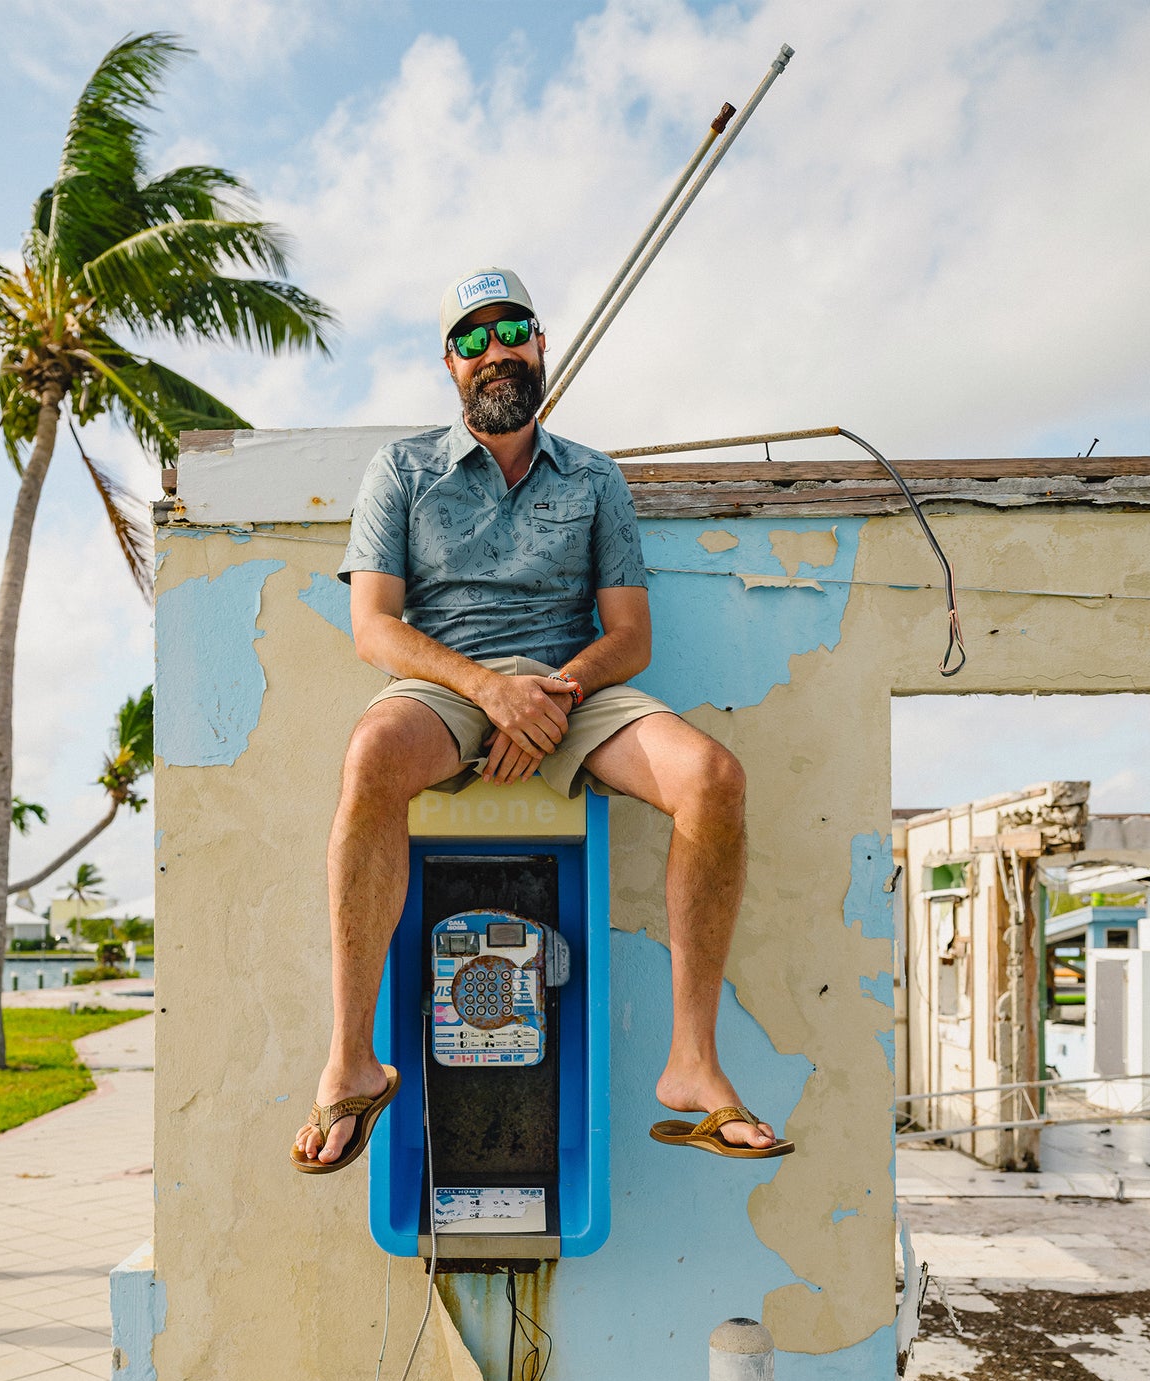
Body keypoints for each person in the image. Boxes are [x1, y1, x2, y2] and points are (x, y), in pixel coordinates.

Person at [291, 266, 794, 1174]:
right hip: (446, 686)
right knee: (369, 755)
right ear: (449, 363)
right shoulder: (401, 470)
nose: (495, 351)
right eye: (472, 338)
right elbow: (373, 627)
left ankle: (691, 1061)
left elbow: (630, 636)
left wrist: (548, 701)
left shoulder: (596, 478)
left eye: (510, 329)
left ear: (539, 341)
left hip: (572, 686)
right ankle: (353, 1061)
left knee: (712, 778)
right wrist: (491, 694)